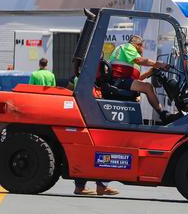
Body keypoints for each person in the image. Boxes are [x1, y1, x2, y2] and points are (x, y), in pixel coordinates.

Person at [67, 57, 119, 196]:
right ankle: (99, 185)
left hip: (87, 121)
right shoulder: (86, 81)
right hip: (89, 121)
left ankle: (86, 186)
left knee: (87, 155)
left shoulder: (82, 79)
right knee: (104, 152)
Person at [109, 35, 170, 120]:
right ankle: (163, 115)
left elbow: (137, 80)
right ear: (138, 45)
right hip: (119, 81)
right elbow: (140, 60)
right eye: (142, 47)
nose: (143, 50)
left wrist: (150, 72)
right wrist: (159, 64)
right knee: (148, 87)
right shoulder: (128, 47)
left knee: (147, 87)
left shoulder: (128, 57)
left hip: (122, 80)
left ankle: (163, 114)